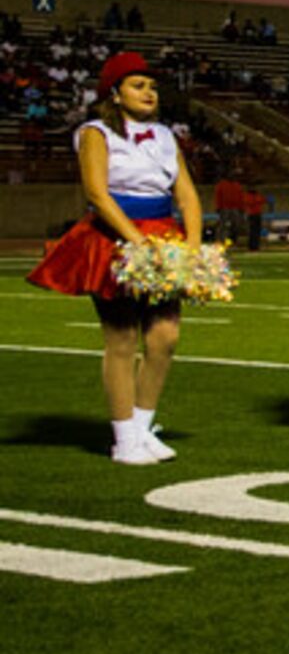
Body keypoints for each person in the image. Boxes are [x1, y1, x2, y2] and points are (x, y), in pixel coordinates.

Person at [28, 52, 204, 463]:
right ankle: (124, 438)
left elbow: (187, 193)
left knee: (165, 337)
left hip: (163, 234)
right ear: (115, 93)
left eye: (153, 87)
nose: (149, 93)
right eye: (138, 85)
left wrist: (193, 244)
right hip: (113, 235)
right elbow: (96, 193)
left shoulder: (164, 135)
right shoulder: (94, 132)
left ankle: (142, 429)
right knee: (122, 337)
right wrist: (134, 241)